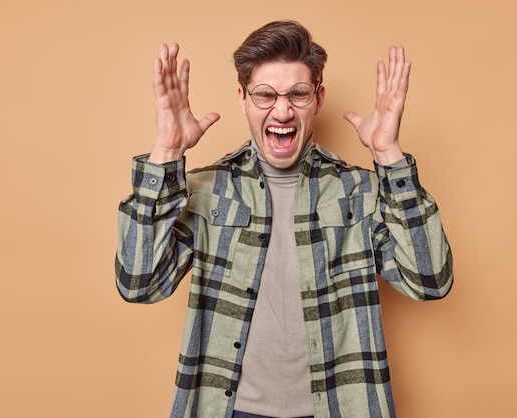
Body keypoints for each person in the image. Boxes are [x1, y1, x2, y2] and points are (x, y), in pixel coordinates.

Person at [116, 20, 453, 418]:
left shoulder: (359, 192)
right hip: (229, 410)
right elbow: (139, 283)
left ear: (318, 98)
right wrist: (166, 151)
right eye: (265, 95)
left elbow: (430, 281)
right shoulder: (207, 191)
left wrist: (389, 156)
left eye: (298, 94)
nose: (282, 109)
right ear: (242, 99)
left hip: (340, 408)